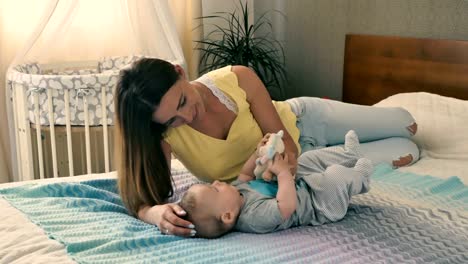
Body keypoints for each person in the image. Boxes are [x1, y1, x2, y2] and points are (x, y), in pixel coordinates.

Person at [114, 58, 419, 237]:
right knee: (407, 150)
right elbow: (143, 197)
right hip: (299, 172)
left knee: (406, 125)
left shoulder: (236, 79)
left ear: (180, 72)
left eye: (182, 101)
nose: (187, 116)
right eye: (173, 118)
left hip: (307, 123)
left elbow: (286, 142)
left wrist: (281, 164)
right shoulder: (165, 136)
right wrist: (153, 214)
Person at [179, 130, 373, 238]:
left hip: (302, 184)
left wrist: (258, 152)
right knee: (335, 176)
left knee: (308, 158)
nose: (216, 182)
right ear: (227, 216)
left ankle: (349, 155)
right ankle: (361, 178)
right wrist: (282, 173)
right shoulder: (253, 217)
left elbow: (246, 173)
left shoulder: (237, 193)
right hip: (319, 204)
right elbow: (286, 207)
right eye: (214, 188)